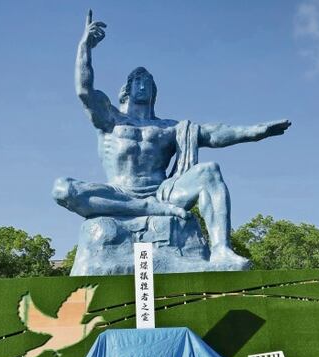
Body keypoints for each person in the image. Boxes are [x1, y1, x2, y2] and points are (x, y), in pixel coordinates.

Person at [52, 11, 291, 269]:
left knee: (209, 172)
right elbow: (83, 91)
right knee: (63, 189)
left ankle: (221, 250)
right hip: (118, 193)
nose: (143, 84)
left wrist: (256, 131)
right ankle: (145, 208)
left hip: (163, 193)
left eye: (148, 82)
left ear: (155, 92)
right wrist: (84, 47)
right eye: (137, 80)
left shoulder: (170, 128)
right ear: (126, 89)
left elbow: (215, 133)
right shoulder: (110, 118)